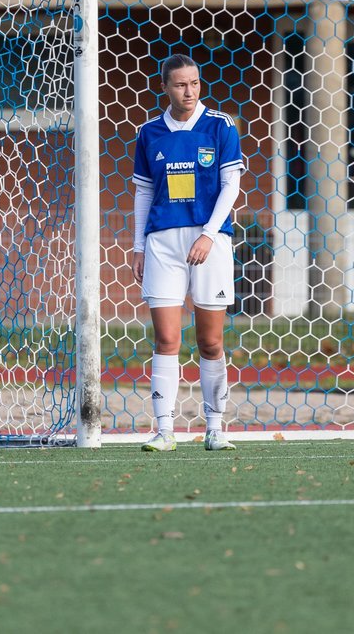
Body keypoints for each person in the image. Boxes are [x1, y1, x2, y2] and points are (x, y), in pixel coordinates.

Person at [132, 53, 243, 452]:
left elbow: (231, 186)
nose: (189, 91)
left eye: (194, 83)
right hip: (163, 242)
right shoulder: (149, 133)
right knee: (166, 338)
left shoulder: (220, 126)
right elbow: (144, 192)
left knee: (210, 341)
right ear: (164, 87)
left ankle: (215, 428)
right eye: (180, 84)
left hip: (210, 241)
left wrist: (209, 234)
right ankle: (164, 432)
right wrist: (138, 245)